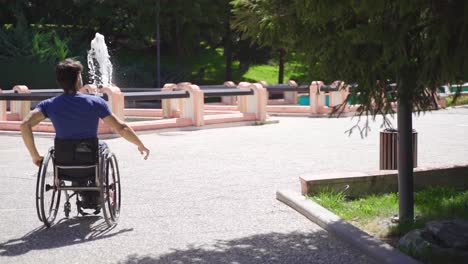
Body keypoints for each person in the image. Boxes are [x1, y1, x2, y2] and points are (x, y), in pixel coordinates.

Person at [20, 58, 150, 208]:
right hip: (90, 159)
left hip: (64, 160)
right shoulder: (95, 102)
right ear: (78, 79)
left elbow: (24, 125)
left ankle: (82, 188)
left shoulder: (49, 105)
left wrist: (35, 156)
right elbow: (121, 128)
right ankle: (99, 188)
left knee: (67, 150)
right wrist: (140, 145)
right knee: (103, 146)